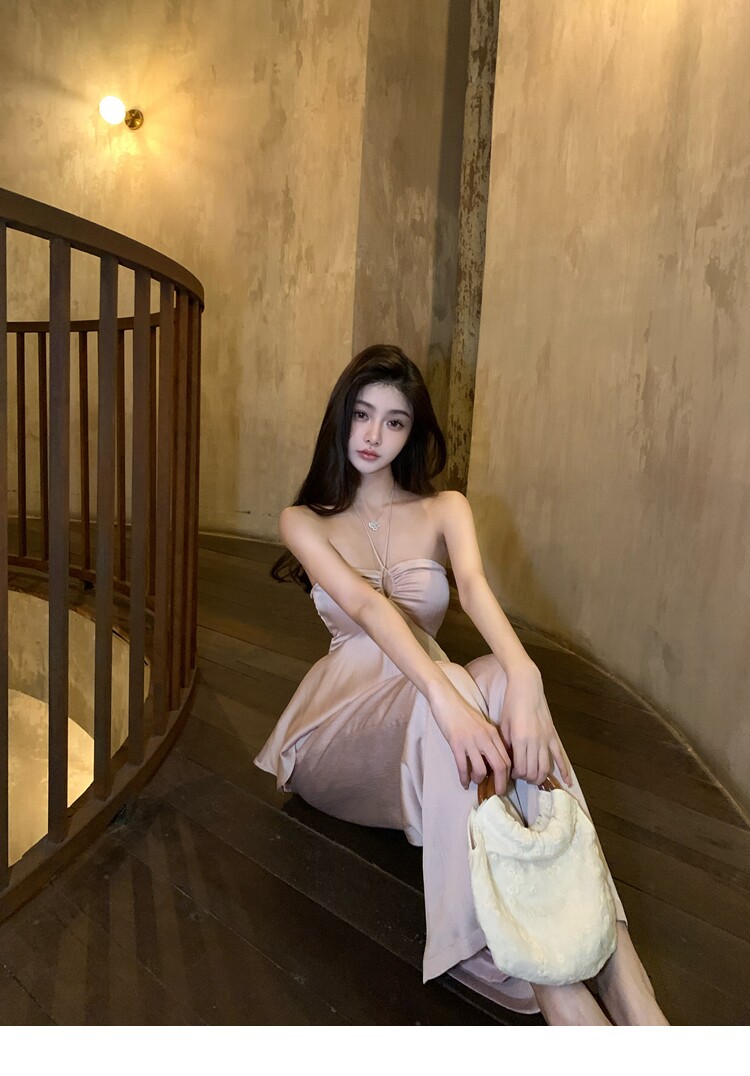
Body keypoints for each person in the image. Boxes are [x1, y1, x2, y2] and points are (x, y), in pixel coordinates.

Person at [255, 344, 668, 1026]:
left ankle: (623, 973)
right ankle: (535, 977)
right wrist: (444, 694)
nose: (373, 435)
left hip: (429, 720)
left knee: (500, 678)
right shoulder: (304, 520)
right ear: (340, 416)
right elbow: (366, 608)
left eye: (394, 421)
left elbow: (474, 590)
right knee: (450, 685)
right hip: (339, 734)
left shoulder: (445, 508)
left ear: (412, 432)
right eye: (361, 414)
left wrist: (527, 678)